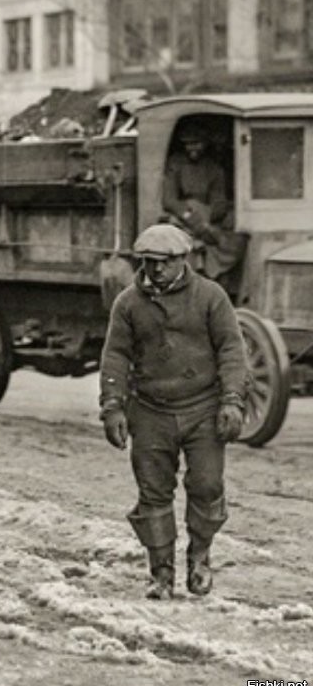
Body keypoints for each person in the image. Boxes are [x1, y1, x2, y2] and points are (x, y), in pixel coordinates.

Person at [99, 223, 248, 600]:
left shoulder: (211, 297)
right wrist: (112, 407)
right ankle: (160, 573)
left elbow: (232, 349)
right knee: (153, 492)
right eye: (149, 262)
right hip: (149, 411)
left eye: (165, 263)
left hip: (203, 408)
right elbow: (115, 355)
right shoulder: (128, 303)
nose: (156, 270)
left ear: (184, 260)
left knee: (208, 485)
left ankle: (200, 558)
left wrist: (232, 399)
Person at [162, 122, 247, 292]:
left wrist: (206, 220)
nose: (193, 148)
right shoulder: (175, 164)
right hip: (180, 216)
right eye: (188, 144)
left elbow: (219, 202)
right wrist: (189, 216)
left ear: (205, 144)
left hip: (206, 217)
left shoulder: (214, 168)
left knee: (231, 240)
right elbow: (169, 200)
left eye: (197, 143)